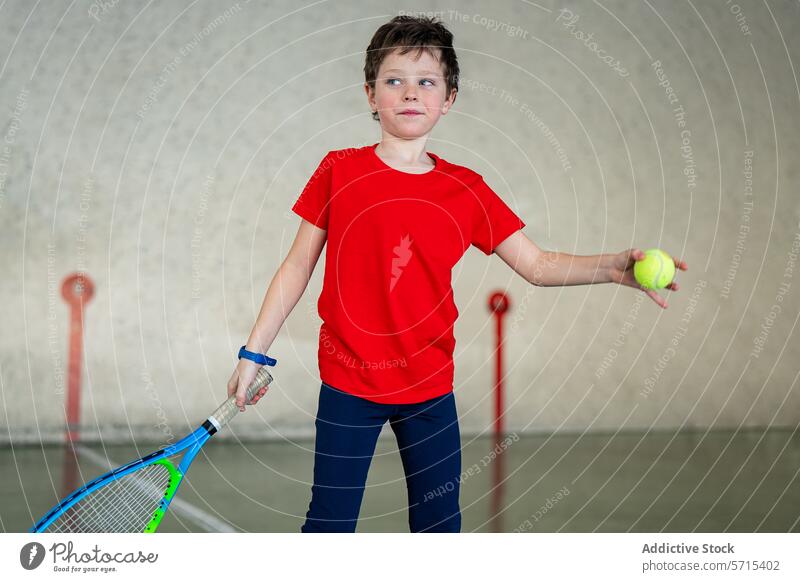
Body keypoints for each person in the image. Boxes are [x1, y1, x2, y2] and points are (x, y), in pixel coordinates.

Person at [226, 15, 688, 533]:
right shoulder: (339, 169)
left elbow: (536, 265)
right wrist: (252, 353)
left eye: (427, 82)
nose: (410, 92)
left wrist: (612, 267)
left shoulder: (464, 190)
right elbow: (296, 267)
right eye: (394, 80)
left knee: (440, 526)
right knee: (329, 524)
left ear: (448, 99)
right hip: (348, 383)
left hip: (428, 387)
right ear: (370, 93)